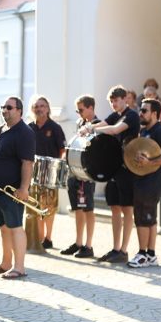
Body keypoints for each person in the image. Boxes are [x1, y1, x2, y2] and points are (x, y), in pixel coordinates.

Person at [80, 85, 140, 263]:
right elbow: (104, 124)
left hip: (128, 167)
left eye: (116, 100)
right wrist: (88, 127)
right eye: (111, 101)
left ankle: (124, 250)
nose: (113, 104)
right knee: (114, 207)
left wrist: (92, 129)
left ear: (125, 99)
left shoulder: (131, 115)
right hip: (114, 167)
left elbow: (115, 130)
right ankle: (115, 248)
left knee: (127, 209)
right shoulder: (115, 114)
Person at [0, 96, 35, 279]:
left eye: (9, 107)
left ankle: (19, 267)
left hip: (11, 190)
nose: (5, 110)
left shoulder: (24, 132)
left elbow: (27, 162)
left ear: (19, 110)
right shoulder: (1, 129)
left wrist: (24, 188)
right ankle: (6, 263)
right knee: (3, 227)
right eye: (3, 107)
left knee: (15, 227)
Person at [127, 98, 161, 268]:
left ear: (154, 114)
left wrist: (150, 163)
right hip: (142, 179)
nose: (140, 113)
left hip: (152, 181)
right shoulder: (144, 131)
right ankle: (150, 254)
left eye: (144, 111)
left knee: (144, 217)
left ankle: (143, 254)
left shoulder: (160, 131)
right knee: (146, 216)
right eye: (140, 110)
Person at [61, 95, 99, 258]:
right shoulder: (80, 123)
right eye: (77, 110)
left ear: (91, 108)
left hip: (87, 173)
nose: (78, 113)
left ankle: (88, 246)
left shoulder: (98, 124)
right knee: (77, 209)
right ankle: (78, 242)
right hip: (75, 170)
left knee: (88, 209)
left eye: (81, 110)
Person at [28, 95, 66, 249]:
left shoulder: (55, 128)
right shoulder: (28, 128)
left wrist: (59, 165)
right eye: (36, 106)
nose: (39, 109)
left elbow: (63, 150)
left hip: (51, 172)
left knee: (50, 206)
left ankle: (48, 238)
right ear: (33, 109)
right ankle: (39, 237)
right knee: (35, 205)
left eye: (42, 106)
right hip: (31, 172)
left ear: (48, 108)